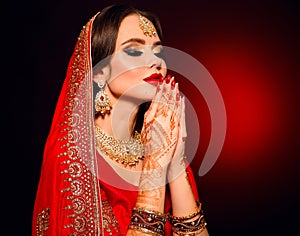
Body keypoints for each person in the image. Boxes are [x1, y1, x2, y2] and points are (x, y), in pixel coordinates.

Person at [32, 4, 209, 236]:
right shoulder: (72, 155)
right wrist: (155, 168)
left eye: (158, 52)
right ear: (98, 72)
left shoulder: (161, 142)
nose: (155, 62)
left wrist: (174, 163)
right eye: (134, 51)